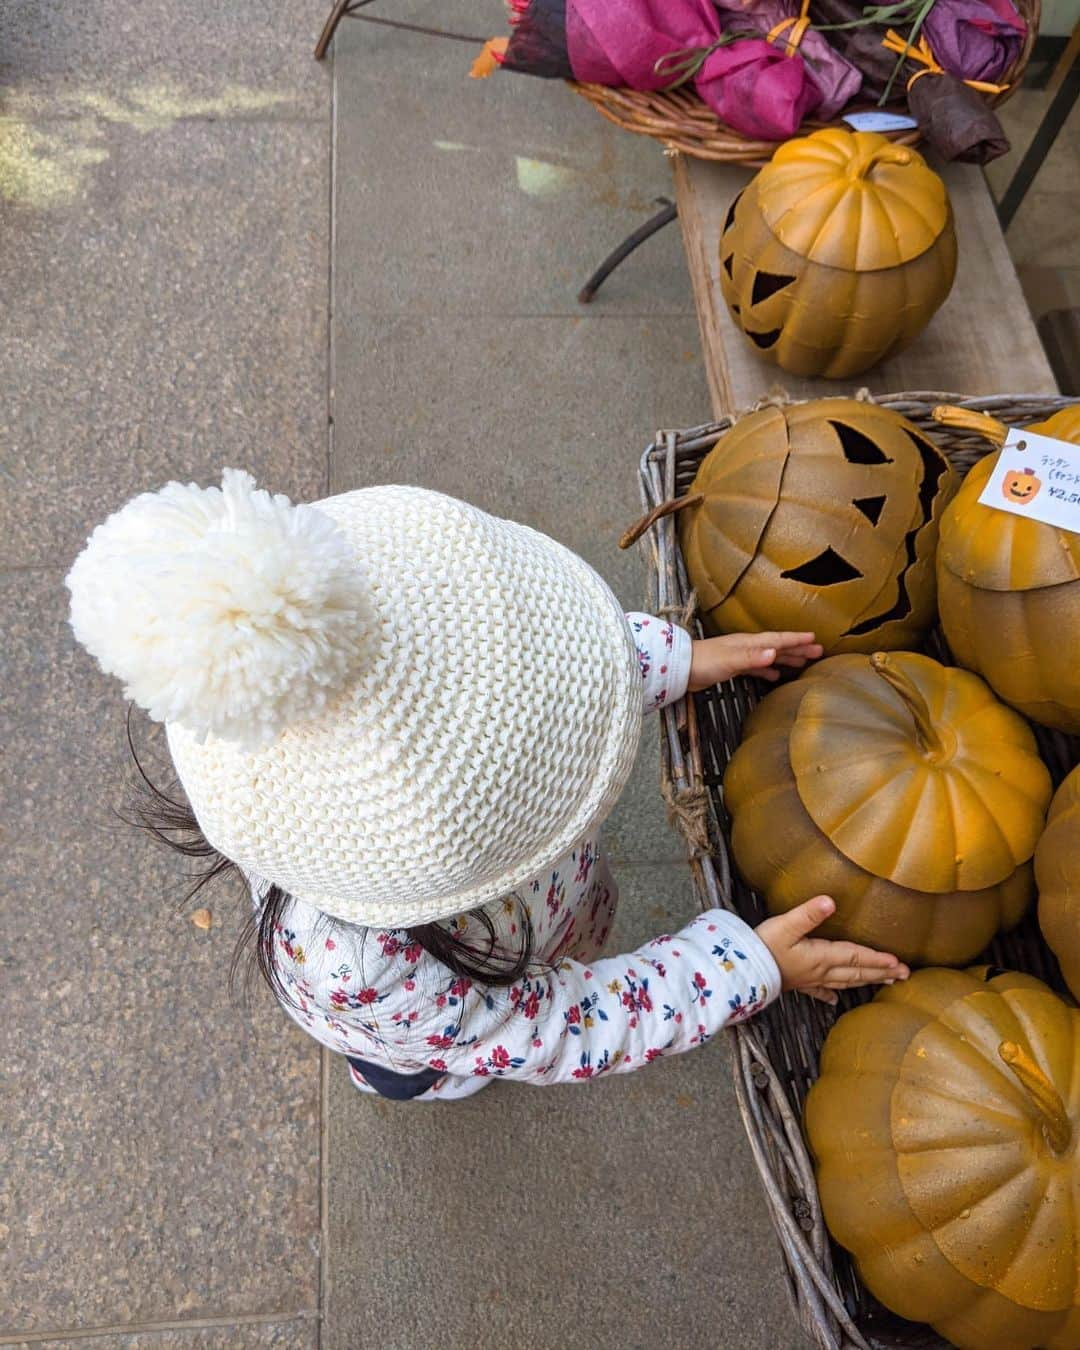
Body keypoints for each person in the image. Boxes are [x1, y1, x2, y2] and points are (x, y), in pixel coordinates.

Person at [66, 470, 908, 1102]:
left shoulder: (284, 749)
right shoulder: (364, 969)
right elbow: (547, 1026)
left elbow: (535, 670)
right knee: (431, 1061)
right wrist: (735, 968)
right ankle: (418, 1078)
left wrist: (666, 660)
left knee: (551, 941)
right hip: (426, 1018)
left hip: (531, 913)